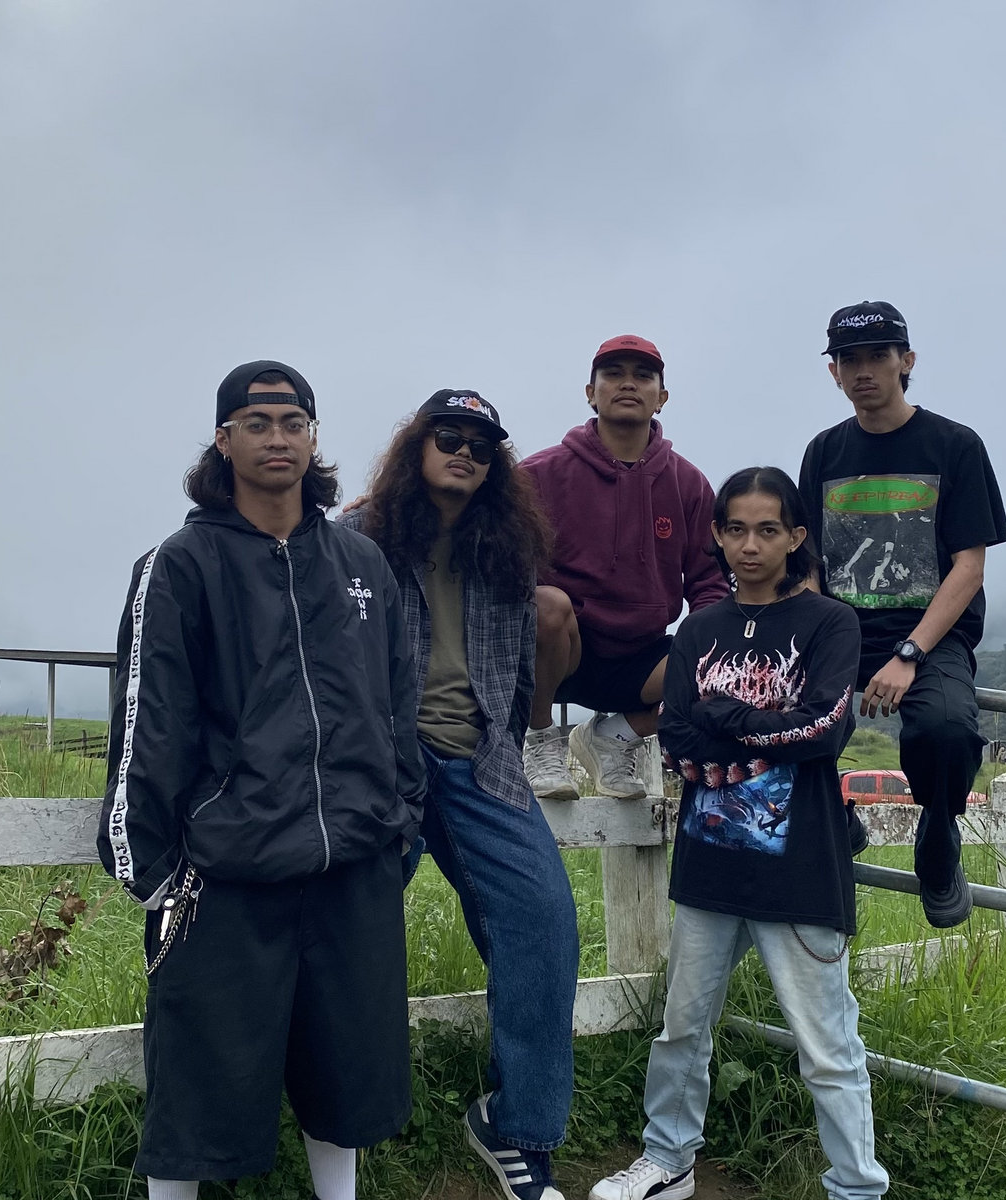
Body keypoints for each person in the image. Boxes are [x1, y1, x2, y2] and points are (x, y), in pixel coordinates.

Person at [97, 361, 425, 1200]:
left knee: (346, 1077)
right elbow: (148, 722)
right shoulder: (180, 565)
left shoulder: (362, 563)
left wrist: (399, 824)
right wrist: (154, 874)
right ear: (224, 440)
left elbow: (399, 703)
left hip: (353, 865)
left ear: (313, 438)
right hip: (225, 876)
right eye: (256, 423)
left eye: (292, 423)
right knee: (197, 1088)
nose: (276, 438)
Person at [591, 466, 889, 1200]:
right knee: (681, 1030)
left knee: (828, 1046)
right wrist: (763, 728)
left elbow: (826, 729)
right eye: (735, 530)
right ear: (718, 536)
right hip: (709, 863)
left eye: (767, 530)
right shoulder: (698, 630)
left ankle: (856, 1188)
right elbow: (676, 739)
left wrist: (726, 717)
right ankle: (668, 1161)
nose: (750, 546)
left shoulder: (830, 622)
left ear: (795, 537)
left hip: (802, 870)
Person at [340, 390, 578, 1200]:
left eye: (482, 445)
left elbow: (517, 670)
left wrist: (504, 743)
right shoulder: (356, 538)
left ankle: (517, 1128)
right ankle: (331, 1120)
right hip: (386, 768)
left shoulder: (504, 549)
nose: (465, 453)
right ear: (417, 445)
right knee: (348, 932)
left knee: (544, 923)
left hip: (481, 764)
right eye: (449, 437)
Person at [798, 301, 1006, 927]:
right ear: (834, 372)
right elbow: (809, 560)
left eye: (878, 356)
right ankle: (837, 818)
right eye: (849, 360)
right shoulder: (824, 452)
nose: (863, 371)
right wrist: (816, 636)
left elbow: (968, 567)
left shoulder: (955, 446)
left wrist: (910, 653)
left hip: (931, 635)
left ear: (906, 361)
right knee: (788, 722)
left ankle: (938, 842)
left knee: (945, 729)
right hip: (839, 630)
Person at [520, 334, 728, 801]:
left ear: (662, 396)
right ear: (590, 393)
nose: (628, 384)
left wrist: (708, 642)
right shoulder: (539, 474)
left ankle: (614, 737)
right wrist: (382, 500)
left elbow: (710, 582)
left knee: (726, 661)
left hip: (642, 657)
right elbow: (473, 519)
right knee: (545, 605)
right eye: (613, 374)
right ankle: (541, 739)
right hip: (562, 652)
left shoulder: (690, 484)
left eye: (643, 375)